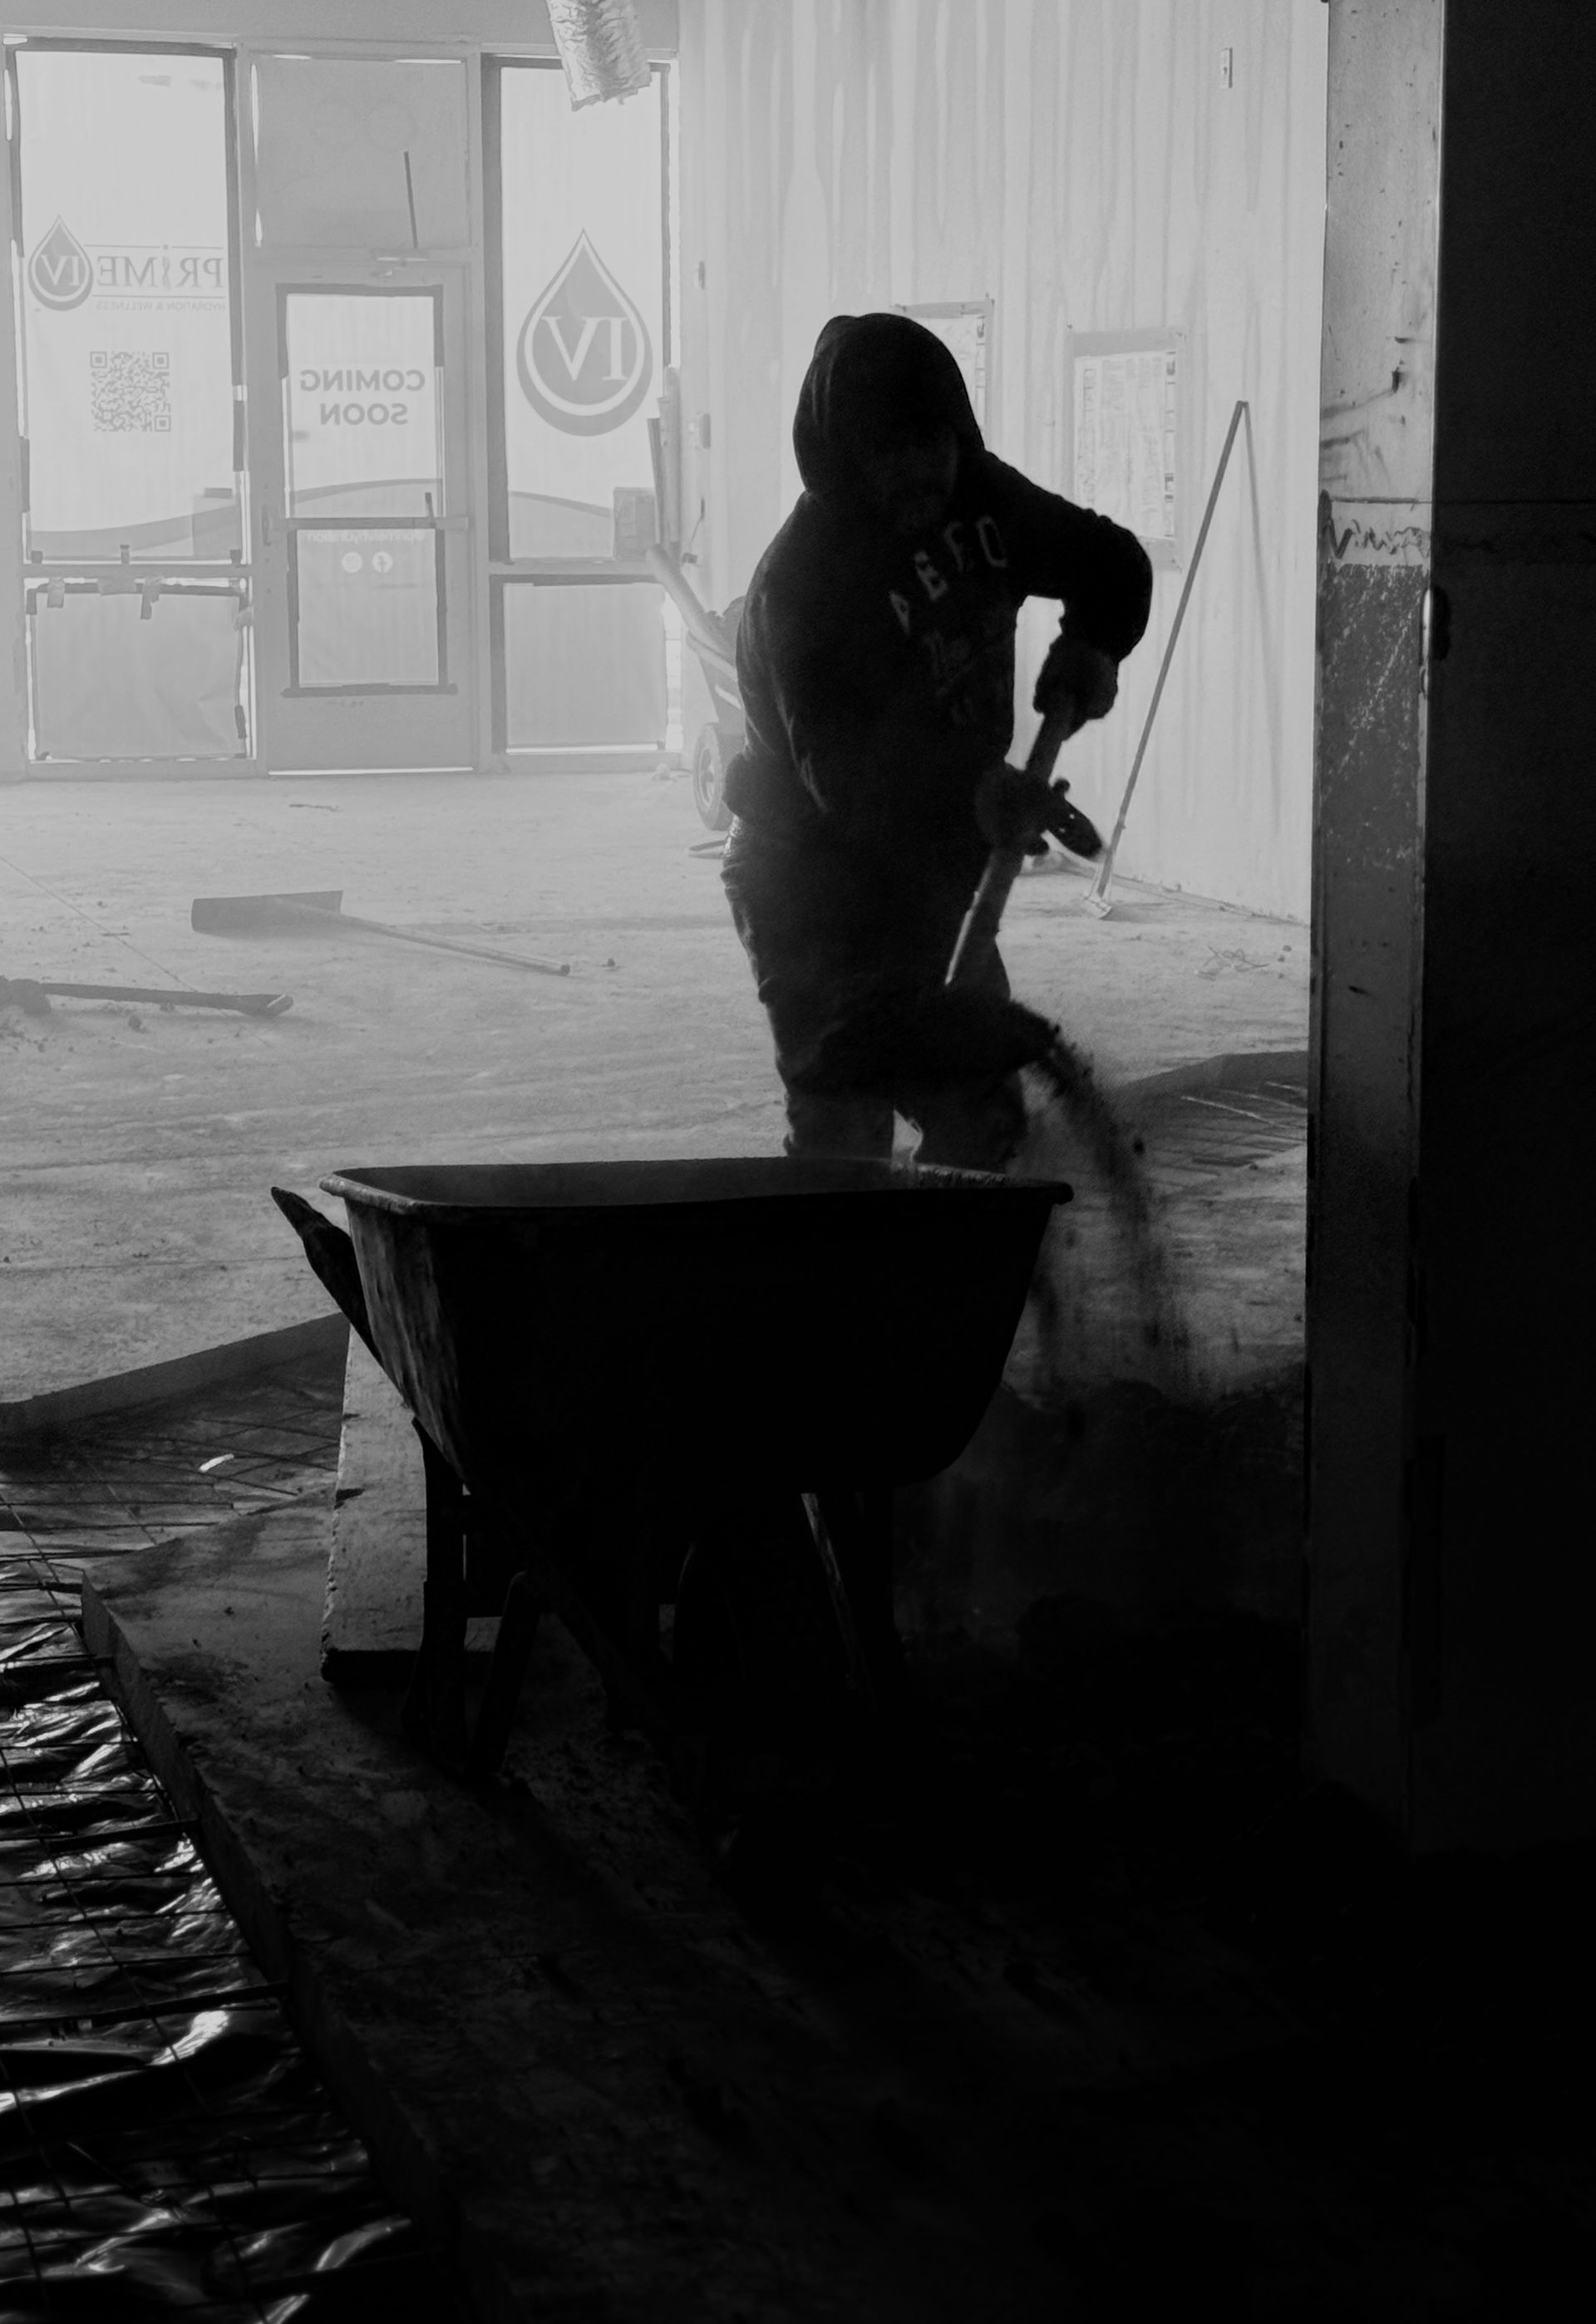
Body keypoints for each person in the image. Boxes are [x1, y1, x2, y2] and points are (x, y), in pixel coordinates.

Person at [720, 310, 1152, 1170]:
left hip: (932, 878)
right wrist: (977, 790)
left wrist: (1094, 643)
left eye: (936, 442)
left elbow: (1111, 562)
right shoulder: (804, 582)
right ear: (849, 458)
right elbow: (844, 775)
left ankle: (949, 1294)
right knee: (845, 1132)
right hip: (812, 888)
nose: (922, 468)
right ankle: (845, 1298)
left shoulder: (981, 498)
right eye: (893, 449)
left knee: (982, 1114)